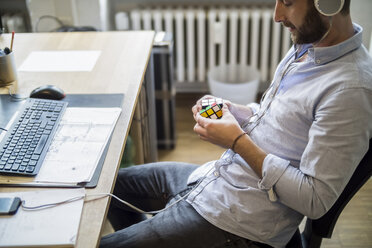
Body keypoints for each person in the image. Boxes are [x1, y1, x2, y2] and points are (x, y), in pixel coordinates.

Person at [100, 0, 372, 247]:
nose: (277, 16)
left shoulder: (350, 91)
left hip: (243, 223)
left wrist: (236, 141)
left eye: (288, 3)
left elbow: (315, 200)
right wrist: (235, 111)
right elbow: (280, 119)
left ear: (328, 3)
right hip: (217, 180)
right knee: (106, 187)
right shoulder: (309, 47)